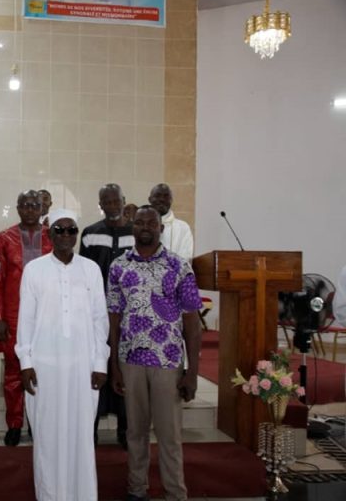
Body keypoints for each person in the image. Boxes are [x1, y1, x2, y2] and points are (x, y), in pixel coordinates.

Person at [107, 205, 203, 501]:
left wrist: (193, 372)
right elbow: (113, 317)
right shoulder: (119, 266)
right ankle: (137, 490)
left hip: (168, 361)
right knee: (135, 434)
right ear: (131, 227)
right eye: (139, 222)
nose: (145, 226)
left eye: (151, 222)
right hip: (131, 360)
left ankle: (175, 493)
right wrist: (114, 365)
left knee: (169, 436)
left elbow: (192, 322)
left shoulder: (178, 266)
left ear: (161, 228)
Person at [17, 208, 110, 501]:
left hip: (83, 365)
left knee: (81, 436)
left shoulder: (91, 269)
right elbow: (26, 320)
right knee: (47, 437)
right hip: (44, 365)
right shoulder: (35, 269)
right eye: (60, 230)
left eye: (72, 230)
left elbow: (99, 319)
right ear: (50, 233)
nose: (66, 235)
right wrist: (26, 362)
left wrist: (100, 362)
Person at [0, 190, 52, 446]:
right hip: (14, 316)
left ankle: (39, 424)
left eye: (34, 205)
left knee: (44, 373)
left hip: (47, 317)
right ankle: (14, 424)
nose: (29, 210)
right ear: (17, 208)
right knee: (14, 373)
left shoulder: (53, 236)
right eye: (24, 205)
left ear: (43, 208)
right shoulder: (5, 238)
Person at [79, 183, 134, 449]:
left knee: (124, 368)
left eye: (116, 201)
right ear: (100, 204)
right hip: (97, 315)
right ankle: (91, 430)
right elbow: (81, 275)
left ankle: (125, 430)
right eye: (106, 202)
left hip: (129, 317)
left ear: (124, 201)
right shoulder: (90, 234)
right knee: (96, 368)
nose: (112, 206)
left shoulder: (137, 233)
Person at [148, 183, 193, 261]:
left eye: (166, 196)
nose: (162, 199)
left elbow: (186, 258)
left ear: (171, 200)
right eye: (158, 195)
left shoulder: (183, 227)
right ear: (150, 199)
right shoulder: (141, 226)